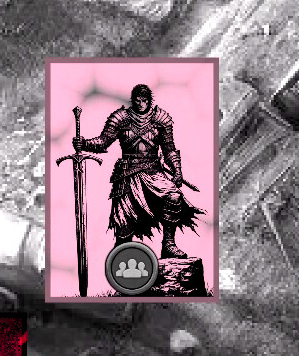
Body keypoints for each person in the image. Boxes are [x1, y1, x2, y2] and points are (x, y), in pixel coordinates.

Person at [75, 83, 204, 259]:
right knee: (124, 223)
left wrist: (177, 170)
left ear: (150, 101)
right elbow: (103, 142)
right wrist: (85, 143)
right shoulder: (120, 118)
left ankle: (168, 244)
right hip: (127, 175)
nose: (141, 104)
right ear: (133, 100)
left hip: (153, 173)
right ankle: (122, 257)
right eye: (138, 100)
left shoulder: (161, 119)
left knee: (173, 197)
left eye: (144, 100)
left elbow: (169, 149)